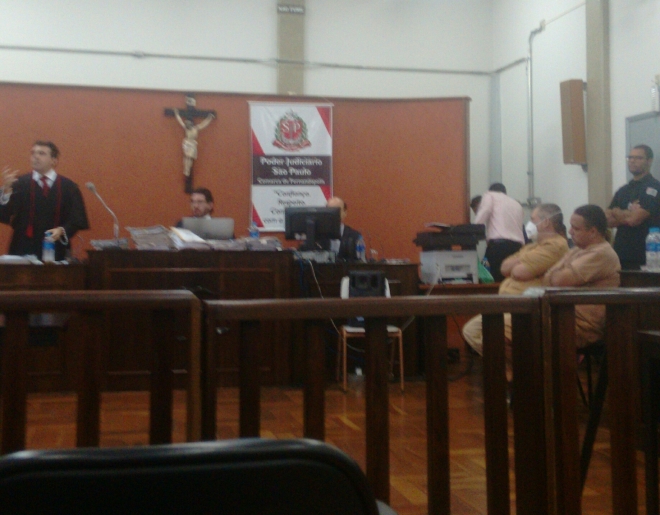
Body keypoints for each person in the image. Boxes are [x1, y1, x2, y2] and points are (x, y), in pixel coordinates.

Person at [462, 203, 569, 359]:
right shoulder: (532, 247)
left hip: (529, 308)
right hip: (510, 305)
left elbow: (519, 273)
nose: (529, 224)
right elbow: (504, 268)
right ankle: (518, 366)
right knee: (470, 331)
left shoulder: (556, 245)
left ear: (545, 222)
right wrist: (523, 260)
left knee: (485, 335)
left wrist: (519, 262)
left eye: (533, 219)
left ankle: (521, 367)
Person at [545, 204, 621, 346]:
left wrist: (556, 275)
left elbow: (559, 280)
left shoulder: (601, 253)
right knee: (513, 327)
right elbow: (548, 278)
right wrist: (555, 276)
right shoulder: (577, 250)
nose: (570, 232)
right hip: (559, 315)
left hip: (578, 324)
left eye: (576, 228)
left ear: (592, 232)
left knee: (513, 332)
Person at [0, 141, 89, 261]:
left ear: (54, 160)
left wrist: (62, 230)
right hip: (22, 248)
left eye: (41, 153)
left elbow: (77, 219)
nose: (35, 156)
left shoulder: (68, 187)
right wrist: (6, 191)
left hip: (55, 247)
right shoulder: (19, 183)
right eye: (33, 153)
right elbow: (4, 215)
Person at [605, 144, 660, 270]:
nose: (632, 161)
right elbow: (607, 220)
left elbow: (634, 219)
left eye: (638, 158)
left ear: (649, 161)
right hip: (621, 254)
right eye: (630, 157)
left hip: (646, 256)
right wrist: (627, 213)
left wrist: (617, 212)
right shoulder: (623, 190)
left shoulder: (654, 188)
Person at [474, 183, 525, 282]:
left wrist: (471, 230)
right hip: (517, 248)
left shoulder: (490, 195)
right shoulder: (516, 204)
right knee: (512, 279)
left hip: (498, 247)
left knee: (494, 279)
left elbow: (483, 214)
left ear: (490, 191)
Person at [173, 109, 215, 177]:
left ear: (191, 123)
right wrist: (176, 114)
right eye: (186, 123)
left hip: (192, 143)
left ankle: (188, 170)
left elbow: (204, 124)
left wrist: (209, 118)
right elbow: (180, 121)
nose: (187, 124)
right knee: (186, 157)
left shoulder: (195, 128)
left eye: (188, 123)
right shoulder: (186, 128)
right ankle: (186, 169)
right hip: (187, 143)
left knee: (190, 157)